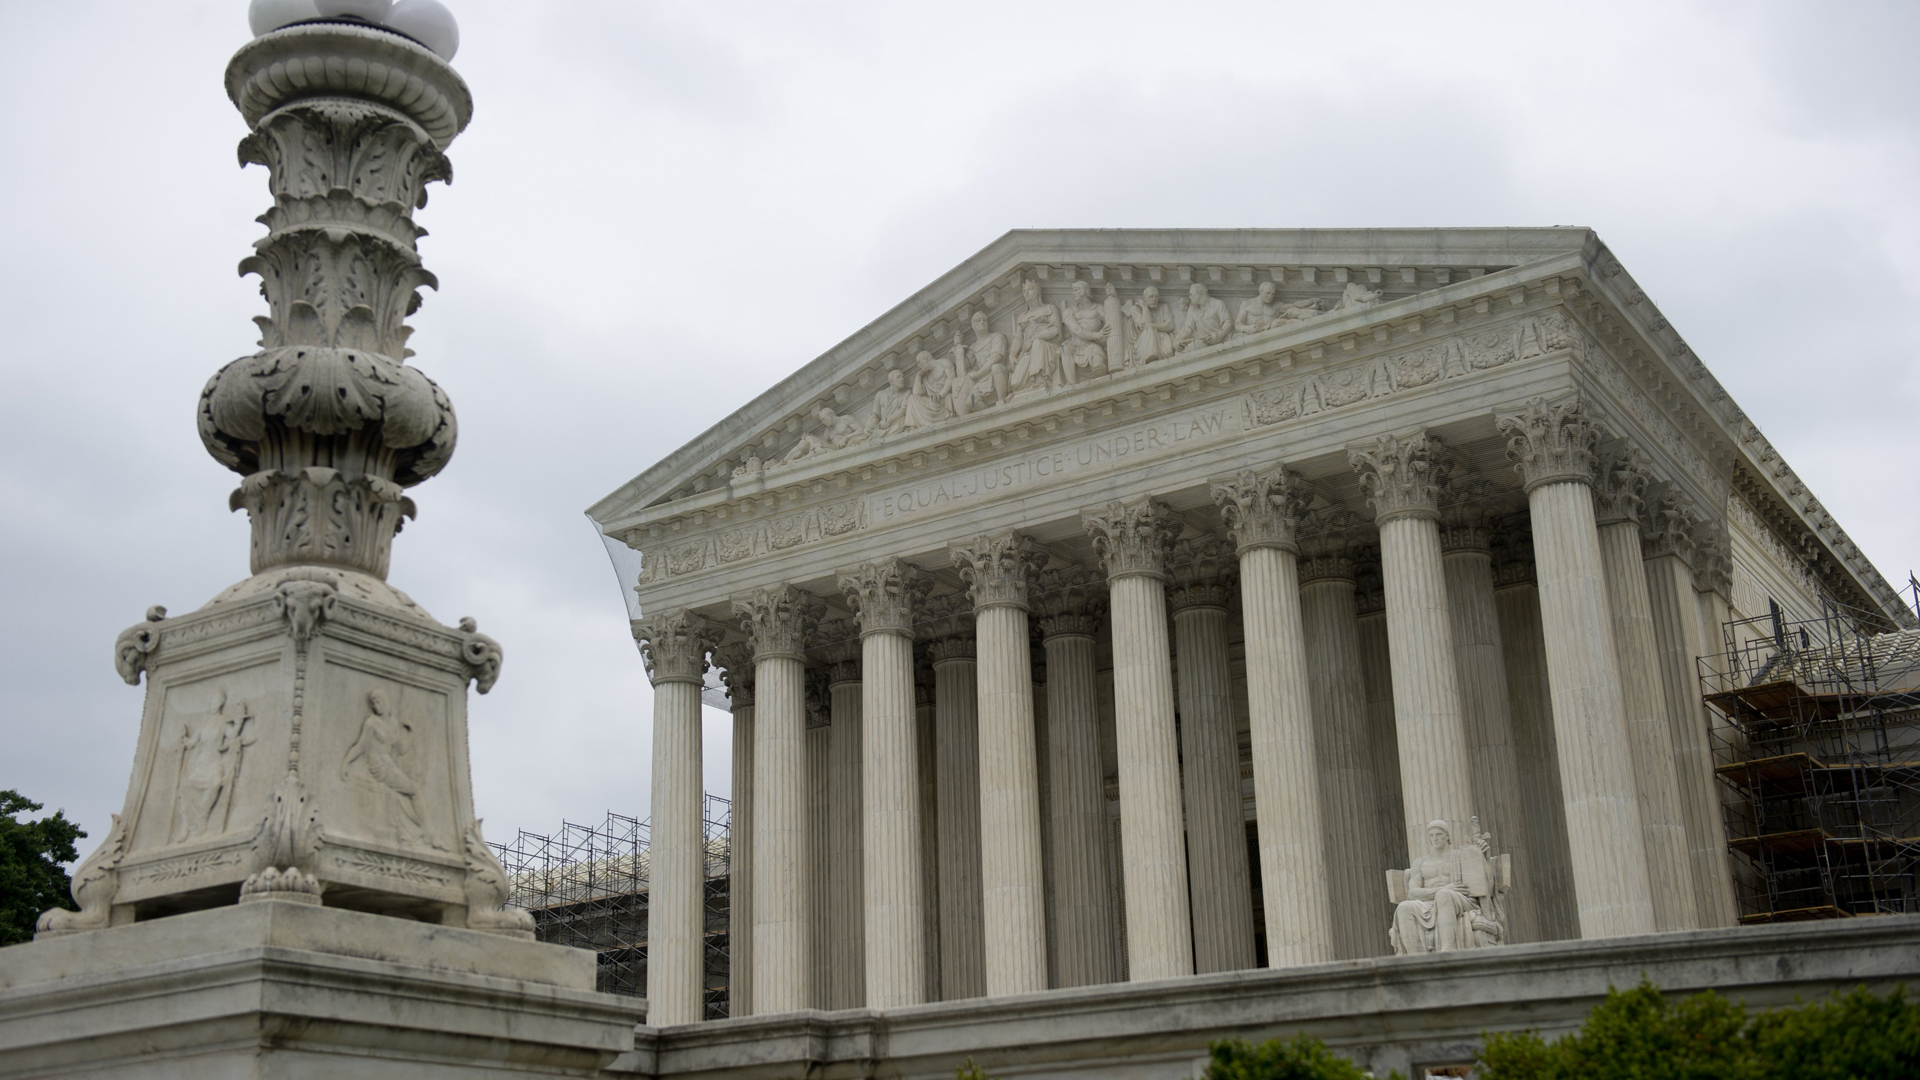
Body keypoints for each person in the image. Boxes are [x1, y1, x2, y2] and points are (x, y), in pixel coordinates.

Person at [342, 689, 433, 848]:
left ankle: (421, 829)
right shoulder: (371, 723)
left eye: (379, 701)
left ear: (386, 702)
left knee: (413, 789)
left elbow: (402, 750)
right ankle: (426, 829)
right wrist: (346, 763)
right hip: (379, 767)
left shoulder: (393, 723)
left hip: (390, 764)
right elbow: (361, 746)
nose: (377, 706)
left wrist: (411, 733)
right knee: (415, 790)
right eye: (374, 703)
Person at [1390, 820, 1487, 954]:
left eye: (1439, 834)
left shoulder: (1460, 856)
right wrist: (1444, 888)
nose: (1435, 838)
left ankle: (1447, 949)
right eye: (1432, 835)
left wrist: (1483, 856)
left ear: (1447, 836)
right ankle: (1415, 956)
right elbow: (1412, 893)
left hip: (1461, 900)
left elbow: (1484, 880)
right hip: (1429, 903)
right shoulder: (1420, 862)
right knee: (1404, 907)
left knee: (1444, 896)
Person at [1010, 278, 1062, 392]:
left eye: (1030, 289)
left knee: (1038, 344)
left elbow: (1055, 329)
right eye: (1024, 291)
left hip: (1047, 346)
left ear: (1038, 291)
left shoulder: (1049, 308)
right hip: (1027, 351)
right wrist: (1012, 354)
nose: (1027, 292)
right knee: (1015, 383)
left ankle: (1039, 381)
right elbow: (1018, 338)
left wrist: (1037, 337)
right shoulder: (1022, 317)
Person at [955, 310, 1009, 409]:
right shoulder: (973, 347)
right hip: (983, 381)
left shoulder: (997, 337)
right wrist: (958, 346)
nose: (982, 322)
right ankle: (992, 418)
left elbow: (995, 358)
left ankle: (1002, 401)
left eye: (984, 320)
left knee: (996, 367)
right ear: (973, 326)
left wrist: (976, 375)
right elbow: (961, 372)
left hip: (998, 376)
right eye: (978, 321)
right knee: (970, 403)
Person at [1060, 279, 1109, 384]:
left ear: (1085, 290)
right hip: (1074, 346)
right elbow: (1077, 329)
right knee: (1065, 347)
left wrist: (1113, 297)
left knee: (1098, 367)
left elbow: (1111, 323)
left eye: (1076, 290)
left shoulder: (1098, 308)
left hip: (1092, 346)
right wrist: (1097, 335)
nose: (1073, 293)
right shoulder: (1069, 312)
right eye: (1073, 290)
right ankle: (1071, 386)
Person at [1175, 282, 1233, 354]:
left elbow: (1228, 322)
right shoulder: (1192, 309)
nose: (1189, 297)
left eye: (1191, 294)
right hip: (1201, 342)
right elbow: (1188, 329)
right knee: (1178, 353)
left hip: (1218, 341)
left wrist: (1218, 335)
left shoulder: (1217, 304)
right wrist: (1177, 340)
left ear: (1200, 293)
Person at [1124, 285, 1176, 364]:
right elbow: (1144, 326)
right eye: (1151, 296)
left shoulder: (1164, 306)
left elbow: (1170, 325)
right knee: (1149, 330)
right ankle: (1151, 357)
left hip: (1161, 337)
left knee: (1169, 351)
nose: (1154, 299)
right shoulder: (1135, 309)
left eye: (1156, 296)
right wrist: (1145, 307)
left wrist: (1152, 325)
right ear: (1144, 298)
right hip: (1143, 341)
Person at [867, 368, 912, 436]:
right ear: (891, 381)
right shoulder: (880, 394)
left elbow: (903, 410)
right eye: (898, 377)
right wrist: (868, 428)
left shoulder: (907, 393)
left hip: (897, 423)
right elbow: (875, 416)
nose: (902, 379)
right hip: (882, 426)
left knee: (900, 426)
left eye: (902, 377)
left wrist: (888, 420)